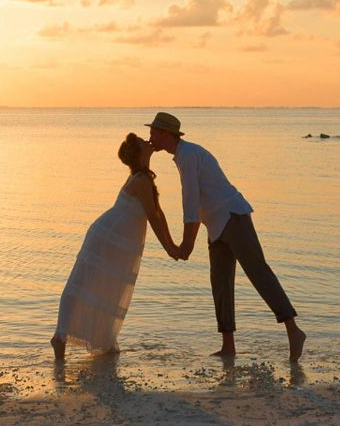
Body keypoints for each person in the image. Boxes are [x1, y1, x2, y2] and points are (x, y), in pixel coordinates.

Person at [145, 112, 306, 361]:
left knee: (258, 273)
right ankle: (228, 346)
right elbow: (195, 204)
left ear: (166, 134)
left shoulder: (188, 155)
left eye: (154, 132)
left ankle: (294, 332)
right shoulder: (182, 156)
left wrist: (185, 245)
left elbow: (190, 202)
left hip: (233, 217)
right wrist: (187, 242)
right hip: (216, 224)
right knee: (220, 284)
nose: (150, 136)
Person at [52, 133, 185, 362]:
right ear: (140, 152)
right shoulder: (141, 180)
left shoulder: (144, 177)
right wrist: (169, 248)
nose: (147, 140)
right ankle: (60, 336)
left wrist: (173, 245)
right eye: (143, 141)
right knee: (82, 284)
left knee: (108, 287)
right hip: (108, 237)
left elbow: (159, 213)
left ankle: (103, 337)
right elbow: (153, 217)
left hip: (117, 240)